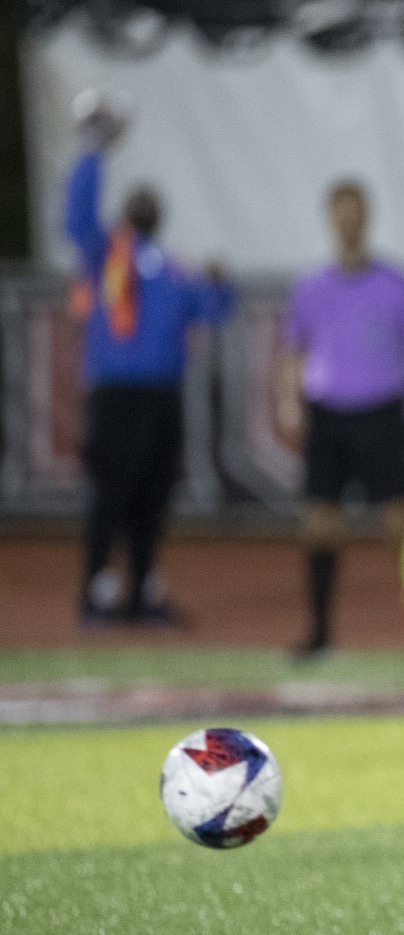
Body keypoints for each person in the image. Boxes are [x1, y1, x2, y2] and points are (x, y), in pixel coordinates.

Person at [65, 99, 233, 625]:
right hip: (117, 394)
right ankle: (95, 594)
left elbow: (214, 310)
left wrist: (220, 281)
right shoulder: (107, 257)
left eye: (148, 201)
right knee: (111, 497)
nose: (143, 206)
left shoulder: (173, 269)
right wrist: (94, 151)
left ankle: (140, 594)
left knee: (152, 498)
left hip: (161, 396)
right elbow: (76, 217)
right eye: (137, 201)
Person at [277, 181, 404, 659]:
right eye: (340, 212)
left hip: (381, 413)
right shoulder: (311, 287)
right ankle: (320, 630)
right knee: (320, 524)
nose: (348, 221)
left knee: (403, 524)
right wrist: (289, 401)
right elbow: (293, 350)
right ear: (330, 219)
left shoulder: (396, 284)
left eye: (356, 211)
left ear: (366, 217)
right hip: (328, 416)